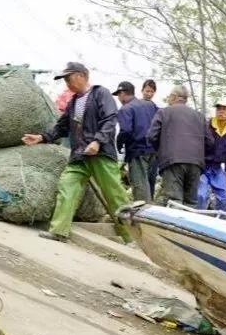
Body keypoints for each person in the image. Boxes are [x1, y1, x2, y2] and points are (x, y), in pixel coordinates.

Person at [22, 62, 131, 243]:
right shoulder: (73, 102)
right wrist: (42, 137)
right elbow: (62, 127)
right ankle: (59, 231)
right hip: (80, 155)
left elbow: (110, 119)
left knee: (115, 194)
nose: (67, 83)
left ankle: (131, 236)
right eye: (65, 80)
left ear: (81, 76)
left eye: (68, 78)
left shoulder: (100, 93)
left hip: (100, 153)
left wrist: (97, 141)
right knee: (67, 186)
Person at [147, 85, 206, 205]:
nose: (168, 99)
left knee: (174, 202)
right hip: (196, 164)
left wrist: (161, 151)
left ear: (174, 97)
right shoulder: (200, 116)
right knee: (191, 203)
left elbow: (151, 136)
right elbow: (210, 141)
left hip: (173, 161)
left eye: (169, 97)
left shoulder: (163, 112)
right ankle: (188, 223)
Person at [113, 81, 158, 203]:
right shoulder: (151, 105)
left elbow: (126, 130)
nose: (118, 98)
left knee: (140, 187)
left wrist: (119, 142)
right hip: (154, 151)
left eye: (118, 94)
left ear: (123, 93)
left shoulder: (125, 108)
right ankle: (153, 214)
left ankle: (144, 219)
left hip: (138, 151)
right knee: (150, 185)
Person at [197, 97, 226, 212]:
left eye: (224, 109)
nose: (221, 111)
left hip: (217, 168)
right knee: (201, 195)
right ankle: (197, 220)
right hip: (202, 166)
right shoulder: (206, 125)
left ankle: (219, 221)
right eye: (219, 108)